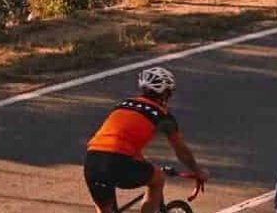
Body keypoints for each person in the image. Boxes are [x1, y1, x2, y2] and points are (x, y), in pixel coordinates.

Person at [84, 66, 209, 213]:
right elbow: (182, 151)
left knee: (105, 209)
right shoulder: (163, 116)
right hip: (117, 162)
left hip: (92, 161)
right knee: (158, 179)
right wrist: (198, 171)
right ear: (165, 93)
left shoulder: (123, 104)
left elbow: (118, 141)